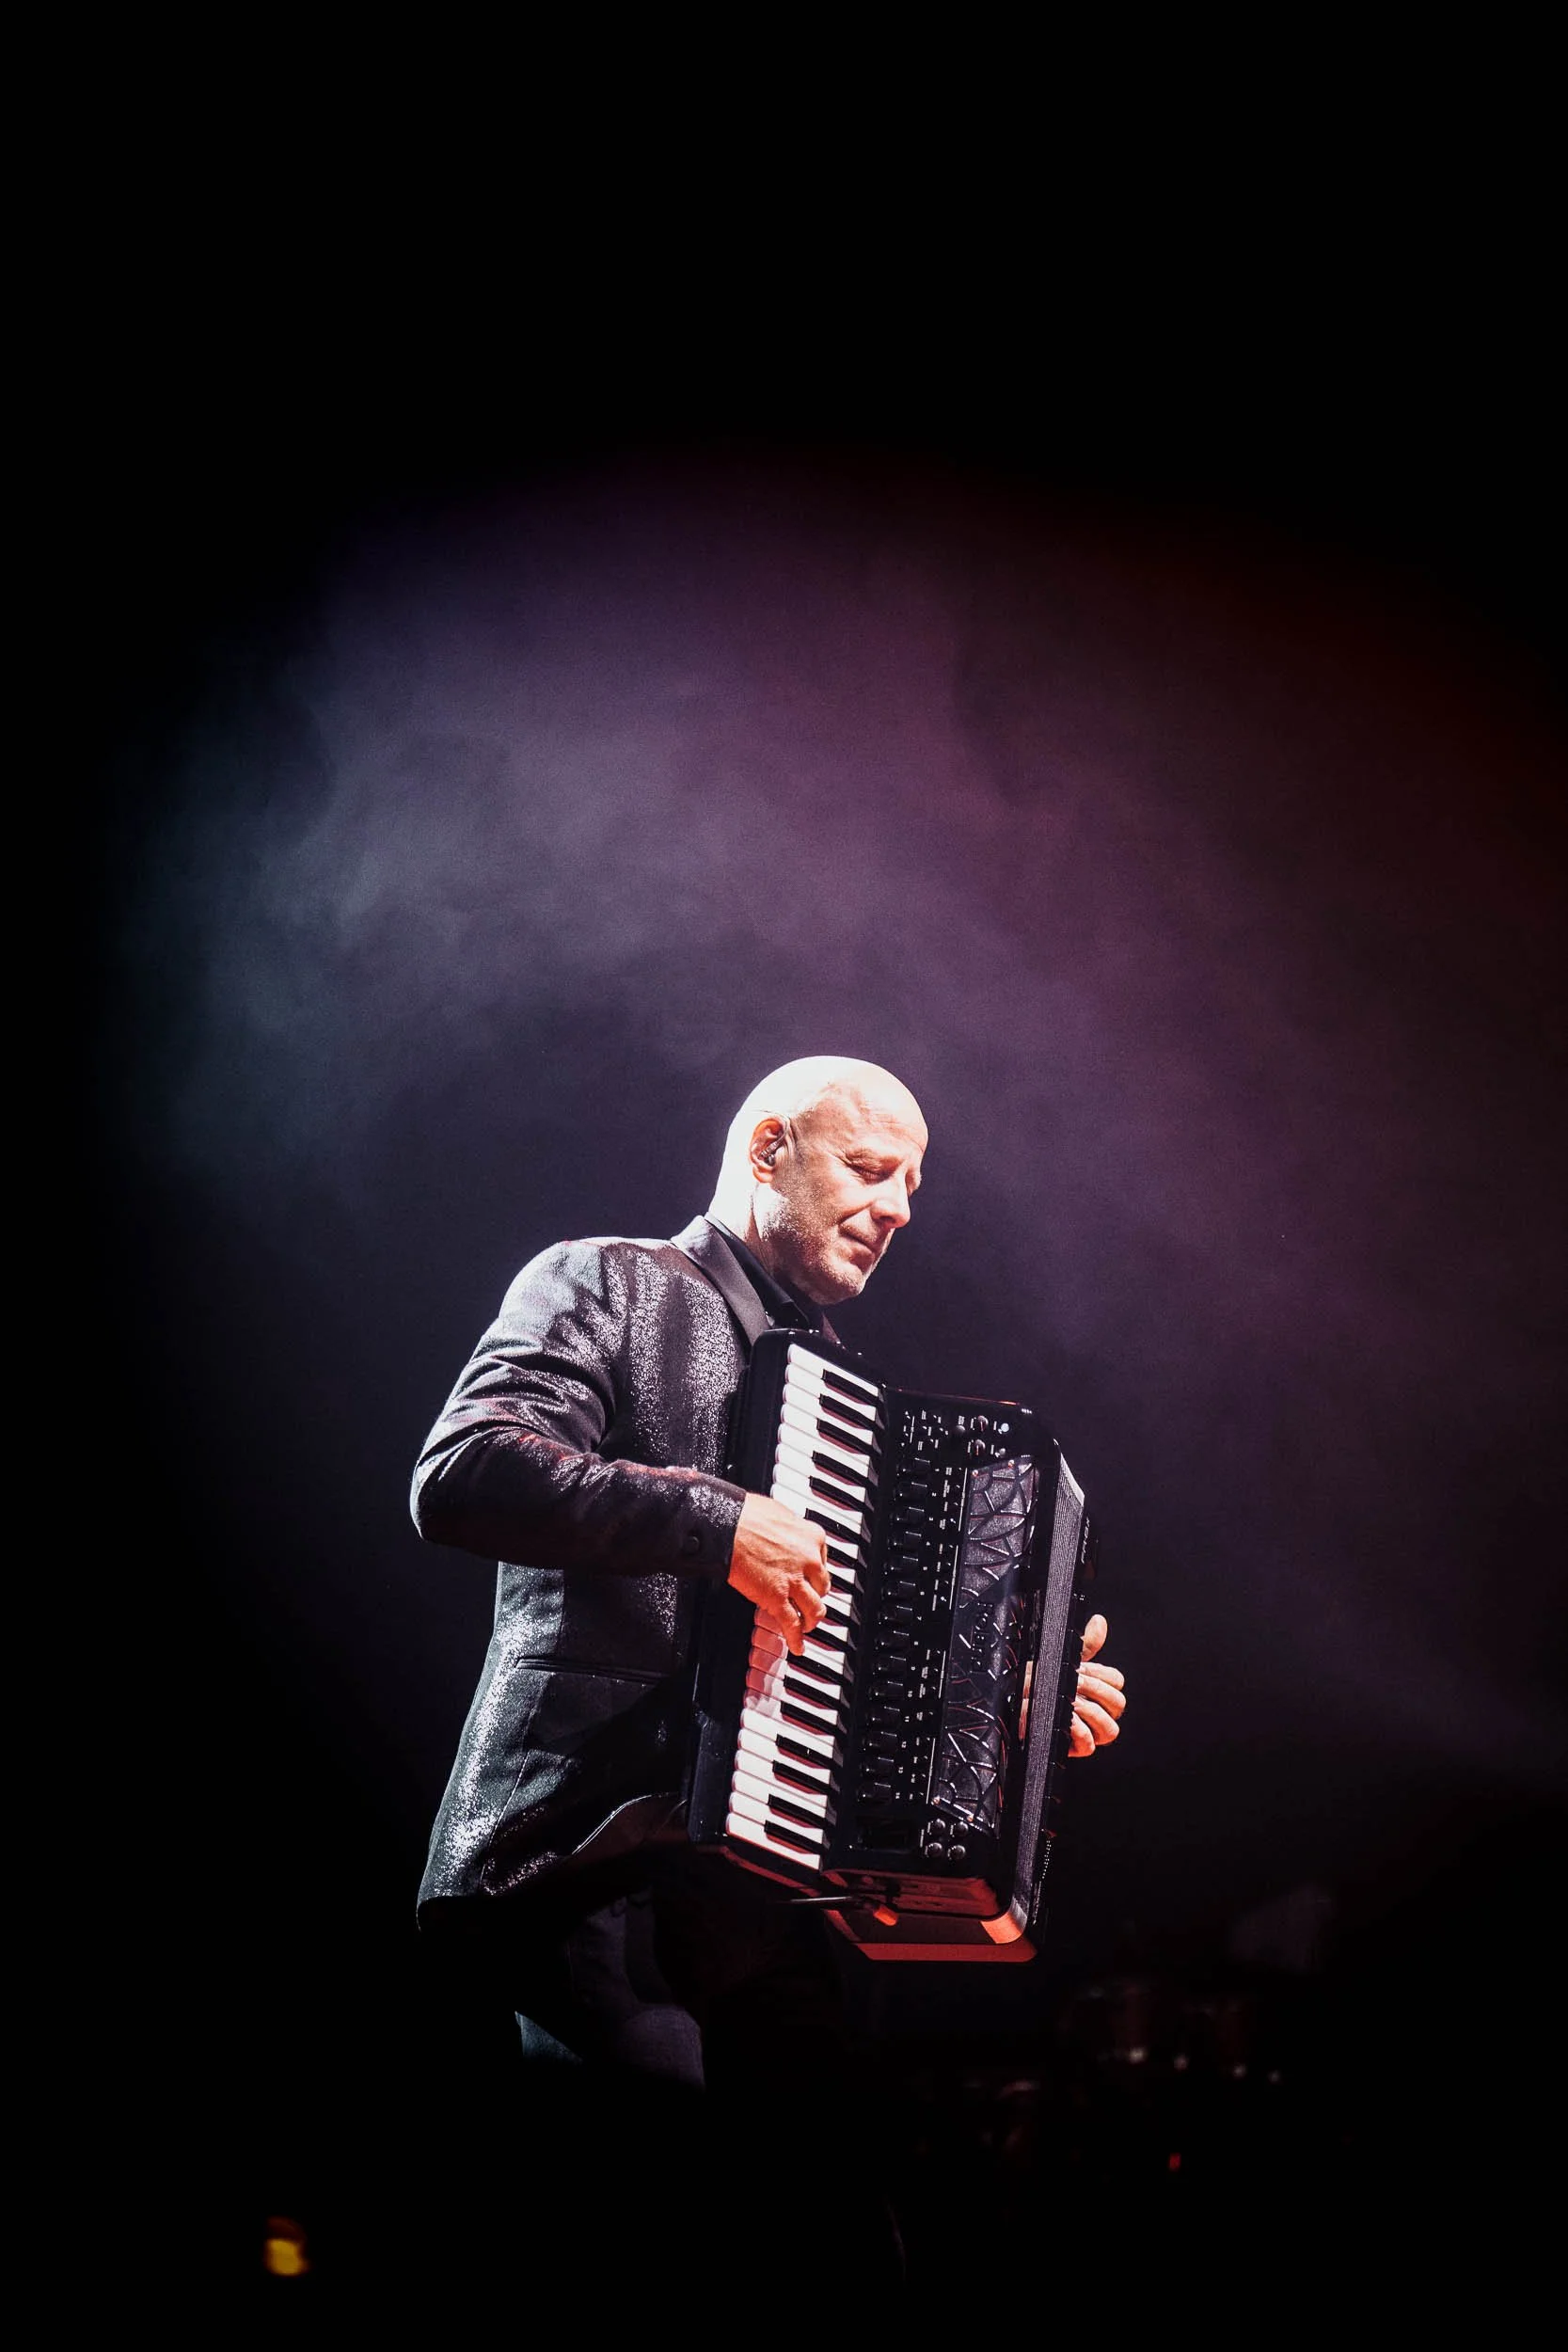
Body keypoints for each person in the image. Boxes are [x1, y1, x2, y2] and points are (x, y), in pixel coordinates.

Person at [410, 1057, 1127, 2293]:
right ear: (766, 1151)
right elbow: (462, 1472)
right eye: (867, 1168)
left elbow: (859, 1677)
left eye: (913, 1181)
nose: (899, 1203)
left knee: (845, 2242)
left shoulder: (842, 1403)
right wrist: (715, 1520)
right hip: (585, 1855)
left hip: (750, 1904)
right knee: (656, 2216)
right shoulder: (609, 1280)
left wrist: (1002, 1714)